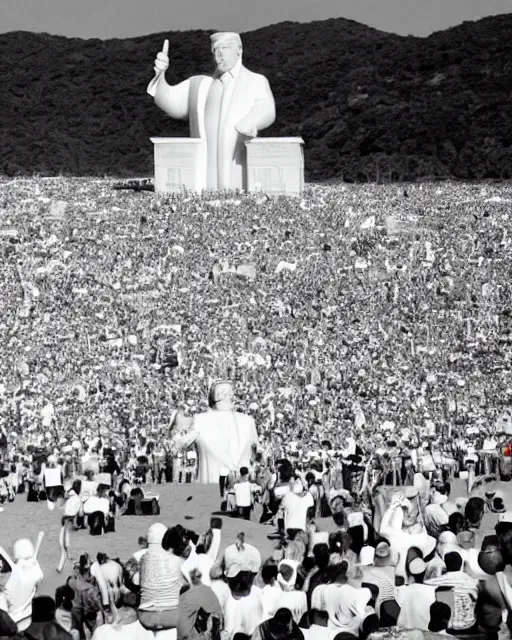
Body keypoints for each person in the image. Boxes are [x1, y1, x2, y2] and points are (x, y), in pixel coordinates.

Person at [148, 32, 276, 191]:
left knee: (235, 180)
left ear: (239, 50)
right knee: (208, 181)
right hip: (205, 162)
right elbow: (171, 103)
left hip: (238, 157)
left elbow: (267, 108)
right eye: (216, 49)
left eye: (226, 47)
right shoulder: (201, 85)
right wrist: (160, 75)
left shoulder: (256, 81)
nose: (220, 53)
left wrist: (251, 121)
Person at [172, 381, 259, 484]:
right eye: (231, 393)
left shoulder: (248, 421)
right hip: (214, 486)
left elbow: (257, 453)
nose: (233, 396)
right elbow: (178, 445)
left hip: (240, 487)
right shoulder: (200, 421)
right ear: (219, 396)